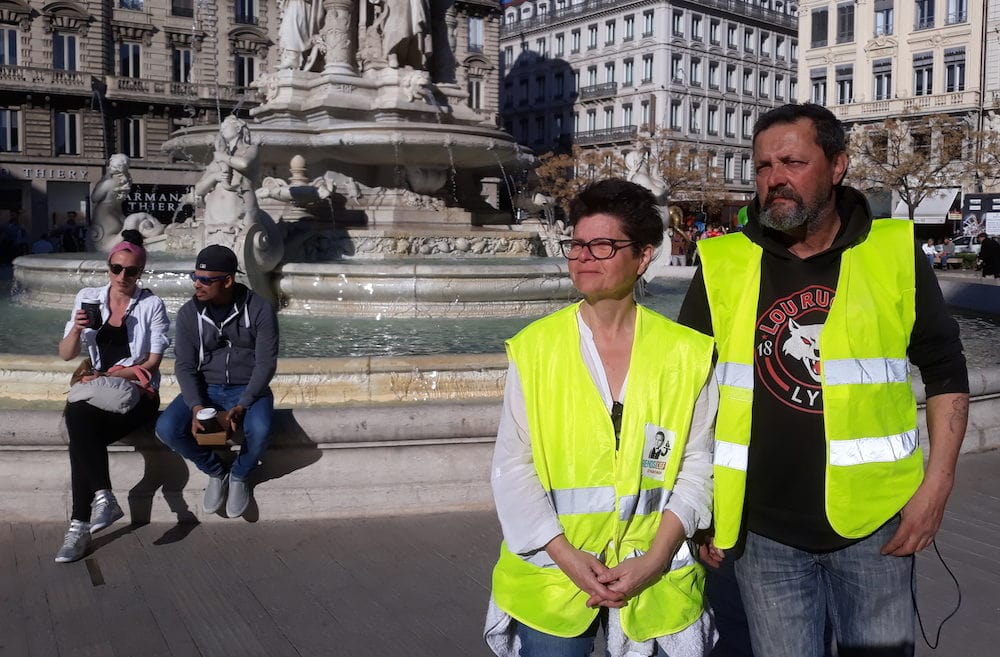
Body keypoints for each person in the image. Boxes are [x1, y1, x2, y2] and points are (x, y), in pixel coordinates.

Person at [679, 103, 969, 657]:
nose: (775, 179)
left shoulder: (894, 253)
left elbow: (946, 372)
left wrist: (937, 486)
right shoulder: (722, 261)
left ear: (838, 165)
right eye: (762, 166)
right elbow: (690, 390)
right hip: (760, 530)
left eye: (792, 161)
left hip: (876, 525)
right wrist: (696, 505)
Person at [484, 179, 718, 657]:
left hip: (654, 573)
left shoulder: (687, 353)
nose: (584, 256)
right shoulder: (535, 349)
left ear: (643, 256)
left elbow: (699, 463)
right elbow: (513, 465)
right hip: (554, 575)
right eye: (576, 244)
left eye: (603, 245)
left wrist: (653, 560)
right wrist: (565, 555)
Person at [55, 230, 170, 563]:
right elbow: (65, 354)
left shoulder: (151, 304)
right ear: (108, 268)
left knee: (78, 425)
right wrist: (77, 329)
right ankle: (100, 502)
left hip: (139, 394)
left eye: (131, 271)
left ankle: (79, 527)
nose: (122, 276)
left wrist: (108, 374)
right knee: (80, 424)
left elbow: (150, 363)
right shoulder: (88, 297)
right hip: (98, 392)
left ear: (140, 273)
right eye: (116, 268)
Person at [155, 245, 279, 519]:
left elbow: (266, 364)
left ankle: (239, 474)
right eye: (194, 277)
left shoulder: (259, 310)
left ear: (227, 281)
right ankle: (216, 471)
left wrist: (244, 403)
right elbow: (185, 366)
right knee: (166, 428)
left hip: (249, 389)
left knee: (260, 430)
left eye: (205, 280)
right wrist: (197, 407)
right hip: (207, 388)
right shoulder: (189, 313)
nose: (197, 284)